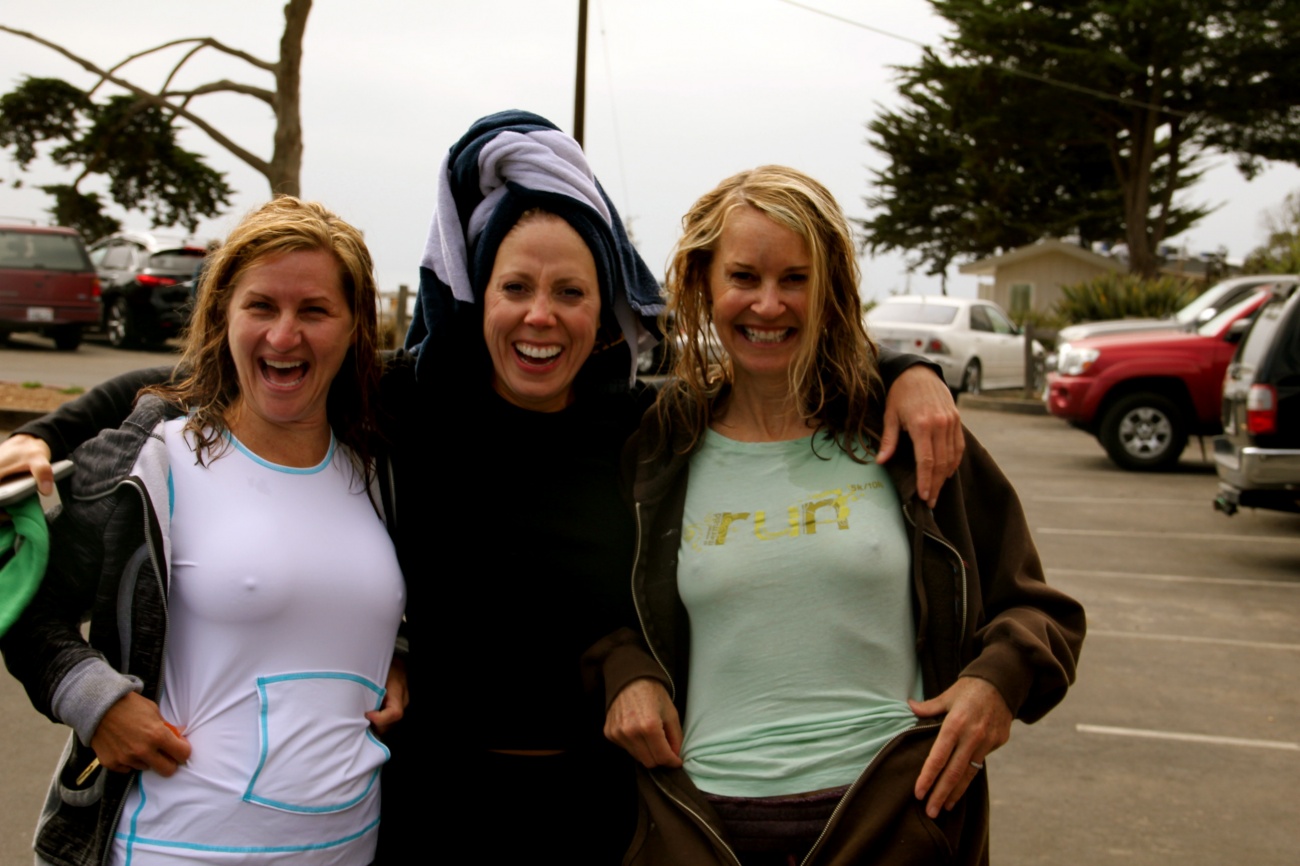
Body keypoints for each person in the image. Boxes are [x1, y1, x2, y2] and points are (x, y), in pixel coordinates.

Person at [0, 112, 965, 863]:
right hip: (426, 809)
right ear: (478, 296)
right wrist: (45, 436)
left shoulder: (644, 428)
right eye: (516, 288)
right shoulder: (408, 403)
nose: (541, 316)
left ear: (606, 309)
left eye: (570, 292)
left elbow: (766, 358)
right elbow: (187, 382)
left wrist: (901, 370)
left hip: (602, 809)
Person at [602, 166, 1086, 865]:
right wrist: (625, 670)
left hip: (894, 817)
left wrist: (997, 683)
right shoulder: (658, 448)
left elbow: (1039, 608)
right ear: (703, 281)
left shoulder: (909, 437)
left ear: (829, 289)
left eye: (795, 279)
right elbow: (601, 610)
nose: (769, 304)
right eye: (744, 277)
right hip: (705, 825)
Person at [0, 197, 407, 866]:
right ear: (223, 315)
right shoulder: (155, 460)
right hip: (173, 846)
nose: (284, 336)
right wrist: (91, 700)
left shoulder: (376, 466)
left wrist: (395, 648)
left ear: (356, 325)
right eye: (261, 307)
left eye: (314, 310)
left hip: (348, 849)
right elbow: (20, 593)